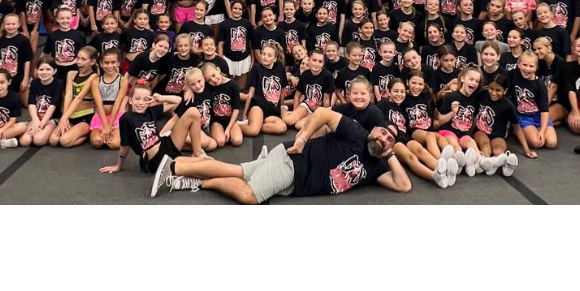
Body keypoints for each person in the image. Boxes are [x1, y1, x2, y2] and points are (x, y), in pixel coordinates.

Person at [152, 106, 410, 202]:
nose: (383, 138)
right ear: (374, 128)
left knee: (236, 171)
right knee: (249, 195)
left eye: (389, 139)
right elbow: (321, 113)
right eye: (382, 132)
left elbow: (403, 184)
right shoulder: (357, 133)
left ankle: (177, 167)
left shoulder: (377, 166)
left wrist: (389, 154)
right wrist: (302, 139)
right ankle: (191, 179)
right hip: (294, 164)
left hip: (296, 182)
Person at [97, 82, 199, 180]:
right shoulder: (126, 118)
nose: (141, 103)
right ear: (130, 100)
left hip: (165, 144)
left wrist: (160, 98)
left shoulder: (151, 111)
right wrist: (118, 166)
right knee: (198, 165)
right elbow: (125, 145)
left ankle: (197, 153)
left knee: (193, 112)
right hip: (154, 157)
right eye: (137, 99)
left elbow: (179, 101)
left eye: (145, 99)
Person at [50, 47, 103, 148]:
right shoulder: (71, 74)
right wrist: (65, 118)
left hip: (85, 118)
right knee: (53, 140)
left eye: (83, 59)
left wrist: (64, 118)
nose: (79, 62)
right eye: (78, 58)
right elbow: (68, 95)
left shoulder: (94, 76)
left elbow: (79, 97)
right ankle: (74, 131)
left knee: (64, 141)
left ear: (92, 62)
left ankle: (86, 136)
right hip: (70, 116)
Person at [507, 50, 557, 157]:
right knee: (536, 143)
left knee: (551, 143)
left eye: (531, 66)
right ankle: (518, 131)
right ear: (519, 64)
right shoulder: (512, 75)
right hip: (523, 116)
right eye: (524, 65)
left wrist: (543, 131)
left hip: (538, 115)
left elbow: (544, 111)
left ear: (536, 68)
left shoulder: (540, 85)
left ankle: (537, 129)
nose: (527, 69)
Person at [472, 73, 520, 176]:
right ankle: (487, 162)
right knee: (485, 145)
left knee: (499, 150)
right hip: (480, 130)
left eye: (498, 90)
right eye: (491, 88)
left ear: (505, 91)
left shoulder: (508, 105)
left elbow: (516, 126)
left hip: (498, 134)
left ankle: (501, 164)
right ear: (487, 87)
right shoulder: (483, 94)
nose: (493, 93)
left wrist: (527, 149)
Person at [241, 42, 288, 137]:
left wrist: (281, 108)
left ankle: (258, 124)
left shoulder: (280, 68)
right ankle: (236, 126)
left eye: (269, 55)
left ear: (275, 59)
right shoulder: (257, 68)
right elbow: (251, 93)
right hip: (258, 106)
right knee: (253, 131)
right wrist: (244, 115)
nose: (265, 57)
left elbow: (282, 92)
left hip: (272, 110)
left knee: (282, 127)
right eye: (263, 54)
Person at [20, 55, 64, 147]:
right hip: (37, 118)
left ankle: (49, 134)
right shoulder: (34, 83)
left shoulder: (58, 84)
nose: (44, 72)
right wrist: (35, 121)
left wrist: (41, 125)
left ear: (54, 71)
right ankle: (43, 134)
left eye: (48, 69)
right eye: (41, 69)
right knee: (25, 141)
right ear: (37, 70)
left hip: (52, 119)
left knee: (38, 140)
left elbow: (53, 105)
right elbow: (31, 103)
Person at [89, 48, 127, 151]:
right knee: (96, 142)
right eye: (106, 63)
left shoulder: (122, 80)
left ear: (118, 63)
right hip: (100, 117)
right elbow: (98, 104)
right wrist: (105, 125)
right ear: (101, 64)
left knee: (115, 144)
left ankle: (114, 133)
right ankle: (105, 135)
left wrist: (109, 126)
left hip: (116, 116)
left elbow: (118, 103)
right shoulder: (96, 81)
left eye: (113, 62)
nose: (110, 66)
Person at [201, 62, 243, 147]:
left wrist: (228, 128)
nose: (213, 80)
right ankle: (215, 131)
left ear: (218, 69)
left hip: (230, 119)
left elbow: (236, 109)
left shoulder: (233, 85)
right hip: (216, 121)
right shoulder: (209, 87)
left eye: (213, 75)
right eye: (209, 80)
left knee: (237, 141)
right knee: (220, 142)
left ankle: (234, 128)